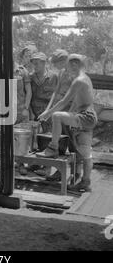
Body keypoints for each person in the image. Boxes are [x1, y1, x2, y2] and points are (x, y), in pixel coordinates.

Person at [37, 54, 98, 192]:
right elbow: (75, 103)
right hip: (88, 118)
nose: (67, 68)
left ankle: (52, 148)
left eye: (68, 65)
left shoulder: (79, 81)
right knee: (86, 153)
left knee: (57, 116)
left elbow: (63, 101)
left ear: (75, 65)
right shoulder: (85, 78)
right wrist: (69, 117)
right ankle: (85, 182)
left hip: (85, 116)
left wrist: (47, 113)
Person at [30, 52, 58, 133]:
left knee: (48, 137)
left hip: (48, 113)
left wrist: (48, 112)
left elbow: (55, 96)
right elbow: (27, 96)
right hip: (34, 113)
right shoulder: (30, 77)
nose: (34, 66)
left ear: (44, 63)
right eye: (33, 64)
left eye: (36, 64)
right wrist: (31, 113)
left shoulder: (53, 77)